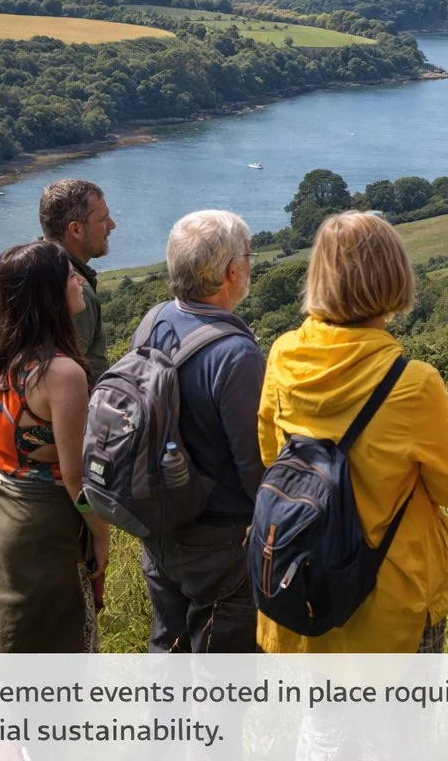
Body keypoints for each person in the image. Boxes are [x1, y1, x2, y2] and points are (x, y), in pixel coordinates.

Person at [257, 210, 448, 653]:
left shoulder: (282, 355)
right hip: (392, 596)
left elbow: (268, 454)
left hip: (306, 582)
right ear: (394, 276)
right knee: (402, 723)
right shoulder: (413, 382)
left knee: (321, 719)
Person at [0, 241, 110, 652]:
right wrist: (101, 534)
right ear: (49, 293)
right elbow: (75, 480)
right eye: (69, 276)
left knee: (3, 637)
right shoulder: (62, 374)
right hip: (44, 530)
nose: (80, 281)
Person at [136, 210, 266, 653]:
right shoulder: (236, 353)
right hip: (218, 542)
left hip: (160, 526)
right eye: (247, 257)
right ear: (231, 271)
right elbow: (254, 464)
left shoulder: (154, 319)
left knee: (167, 656)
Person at [39, 178, 115, 384]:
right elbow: (63, 379)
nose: (111, 225)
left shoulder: (28, 270)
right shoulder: (76, 292)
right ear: (76, 230)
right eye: (103, 219)